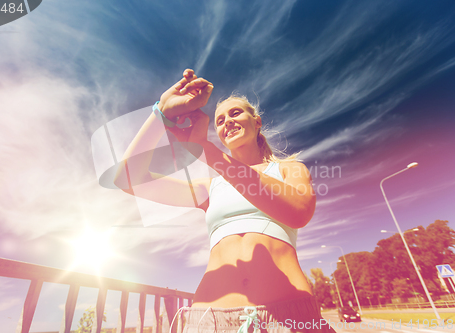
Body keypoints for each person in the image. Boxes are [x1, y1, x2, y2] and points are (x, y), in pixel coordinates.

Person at [115, 69, 335, 333]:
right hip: (210, 320)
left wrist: (206, 151)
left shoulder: (289, 169)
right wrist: (161, 112)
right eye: (219, 120)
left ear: (257, 122)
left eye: (235, 114)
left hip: (287, 317)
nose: (226, 122)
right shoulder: (211, 187)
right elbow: (127, 178)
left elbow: (298, 212)